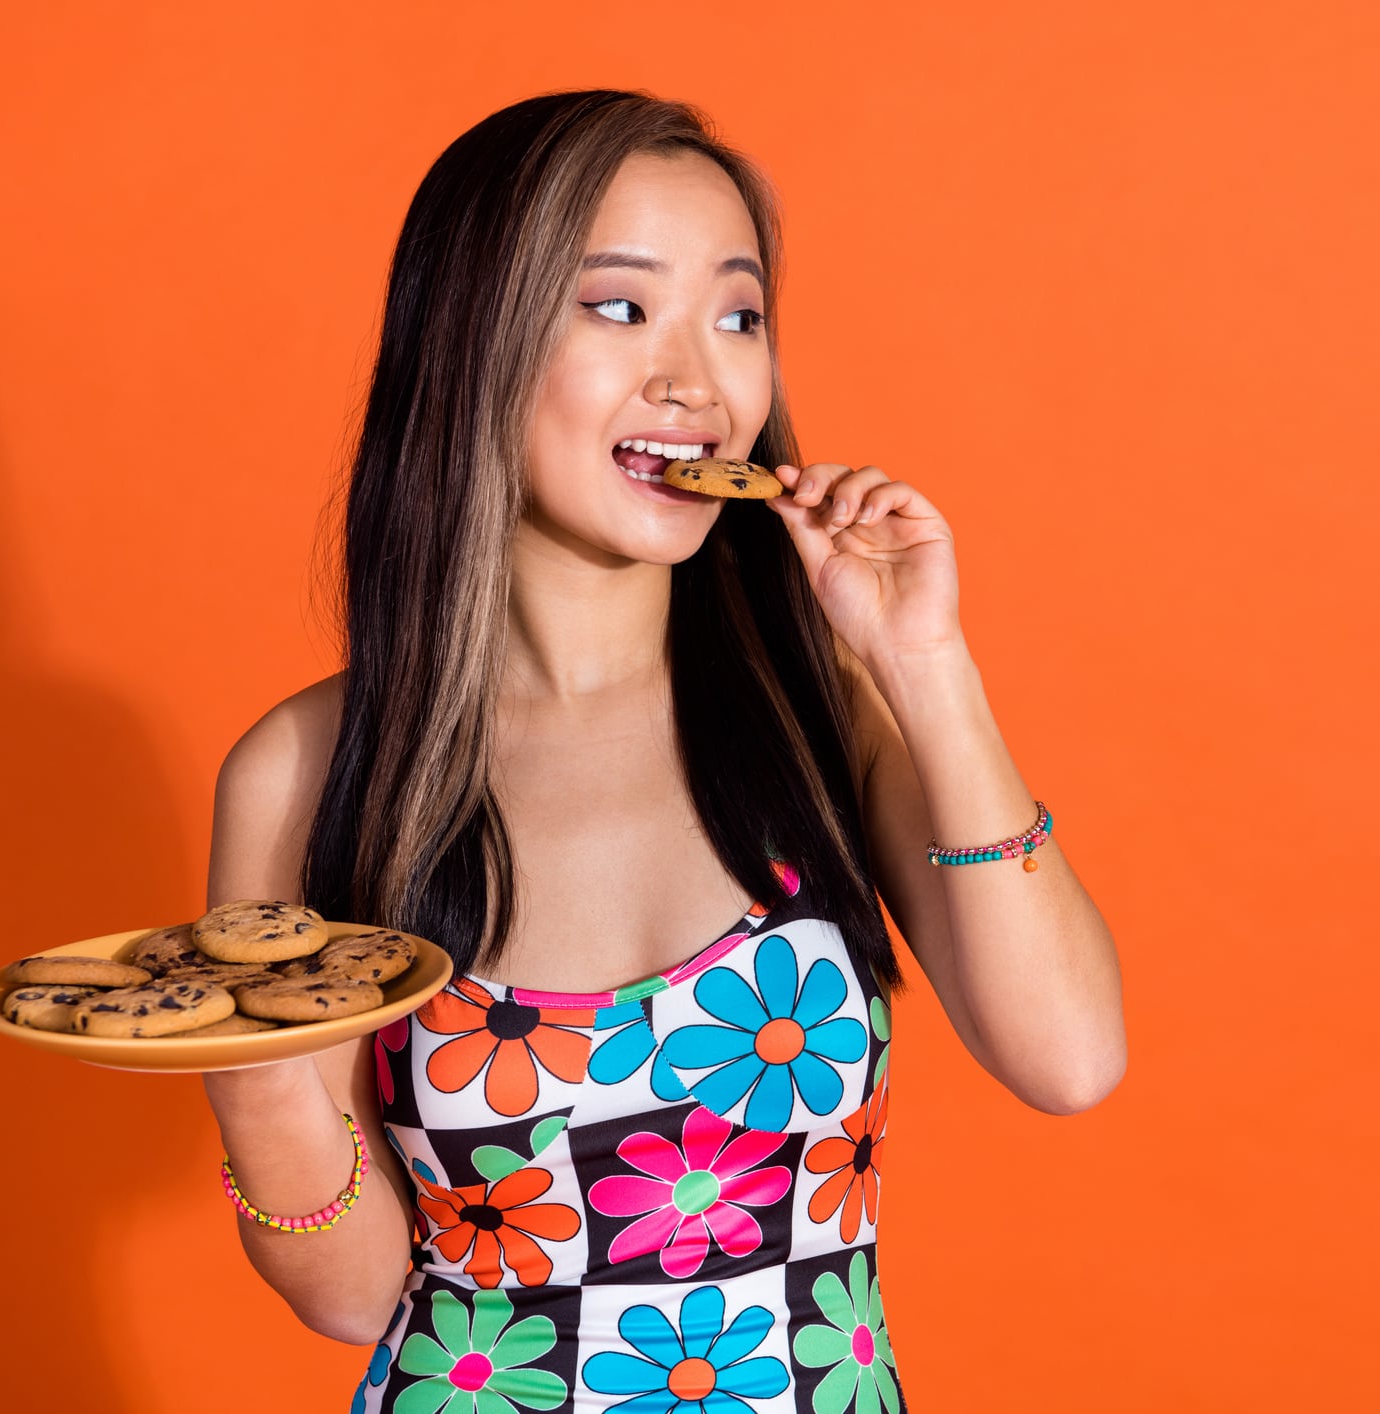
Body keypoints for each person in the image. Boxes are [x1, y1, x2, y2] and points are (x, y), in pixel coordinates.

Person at [199, 88, 1125, 1413]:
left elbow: (1072, 1059)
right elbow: (351, 1293)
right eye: (621, 308)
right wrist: (251, 1077)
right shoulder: (310, 770)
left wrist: (924, 665)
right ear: (477, 343)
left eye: (736, 317)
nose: (696, 381)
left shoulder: (824, 715)